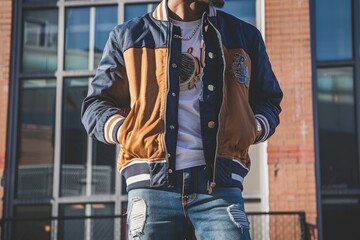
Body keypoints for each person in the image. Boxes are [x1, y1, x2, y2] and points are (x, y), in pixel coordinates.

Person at [81, 0, 283, 239]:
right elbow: (95, 105)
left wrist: (253, 128)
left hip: (220, 186)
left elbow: (269, 100)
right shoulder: (129, 36)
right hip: (151, 187)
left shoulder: (244, 35)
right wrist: (128, 131)